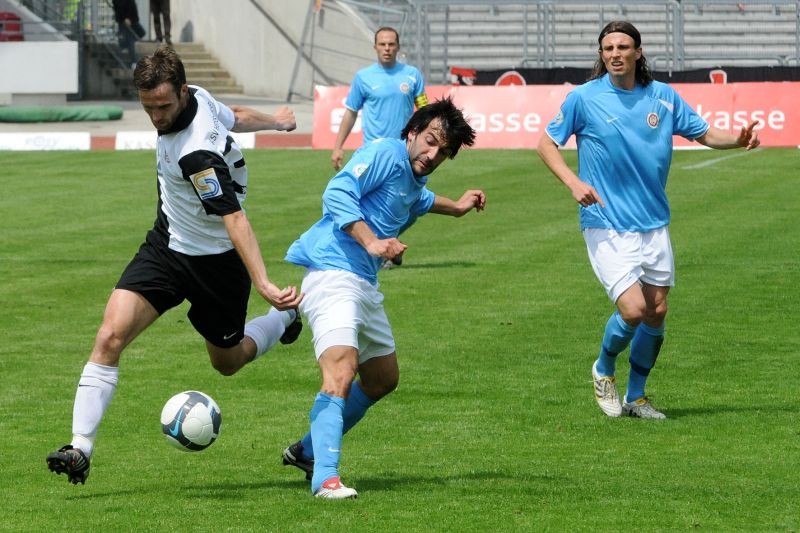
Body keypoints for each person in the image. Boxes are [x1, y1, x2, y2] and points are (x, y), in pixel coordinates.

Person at [46, 46, 304, 485]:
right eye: (148, 107)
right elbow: (235, 115)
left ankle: (283, 319)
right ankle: (79, 448)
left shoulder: (196, 157)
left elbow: (234, 219)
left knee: (227, 362)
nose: (156, 117)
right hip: (166, 248)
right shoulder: (199, 96)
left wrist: (262, 281)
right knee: (110, 336)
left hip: (218, 264)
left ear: (181, 92)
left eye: (163, 106)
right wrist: (276, 120)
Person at [537, 21, 760, 420]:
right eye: (608, 48)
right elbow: (546, 144)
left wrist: (738, 140)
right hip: (605, 221)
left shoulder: (663, 97)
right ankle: (603, 369)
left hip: (653, 222)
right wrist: (572, 182)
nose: (615, 54)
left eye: (623, 46)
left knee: (657, 311)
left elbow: (705, 133)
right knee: (633, 310)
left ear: (638, 52)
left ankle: (636, 397)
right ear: (601, 54)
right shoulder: (584, 99)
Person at [282, 97, 483, 499]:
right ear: (412, 132)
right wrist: (372, 241)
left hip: (363, 283)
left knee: (382, 378)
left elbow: (420, 200)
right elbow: (338, 192)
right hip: (333, 270)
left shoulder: (414, 177)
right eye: (429, 141)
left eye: (443, 152)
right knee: (341, 372)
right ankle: (326, 479)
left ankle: (305, 450)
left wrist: (458, 207)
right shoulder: (386, 153)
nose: (432, 154)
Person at [331, 26, 429, 269]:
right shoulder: (363, 77)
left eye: (391, 44)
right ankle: (374, 249)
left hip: (403, 154)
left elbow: (425, 112)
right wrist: (338, 146)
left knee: (413, 205)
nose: (387, 49)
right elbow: (351, 113)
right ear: (375, 47)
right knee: (364, 205)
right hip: (373, 155)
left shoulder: (412, 76)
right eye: (382, 44)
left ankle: (389, 243)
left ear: (398, 47)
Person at [112, 0, 146, 66]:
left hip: (131, 20)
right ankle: (128, 62)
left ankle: (133, 62)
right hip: (123, 21)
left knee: (130, 40)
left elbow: (131, 6)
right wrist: (124, 18)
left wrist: (129, 18)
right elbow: (117, 8)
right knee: (125, 41)